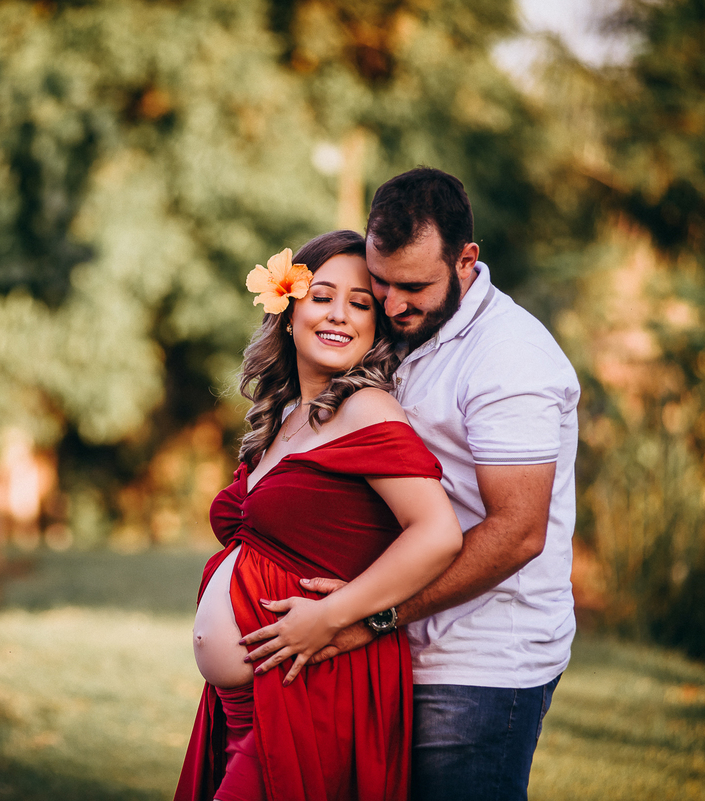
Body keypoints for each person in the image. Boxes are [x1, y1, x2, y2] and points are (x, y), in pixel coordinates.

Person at [245, 167, 581, 801]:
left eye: (414, 287)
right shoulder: (409, 331)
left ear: (466, 261)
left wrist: (368, 619)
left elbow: (516, 534)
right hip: (390, 646)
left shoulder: (509, 359)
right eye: (382, 282)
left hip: (479, 662)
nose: (393, 304)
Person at [174, 229, 464, 801]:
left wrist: (334, 614)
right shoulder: (287, 414)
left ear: (377, 326)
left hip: (312, 683)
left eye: (360, 304)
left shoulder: (366, 409)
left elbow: (437, 533)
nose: (340, 315)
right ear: (287, 311)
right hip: (248, 698)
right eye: (323, 296)